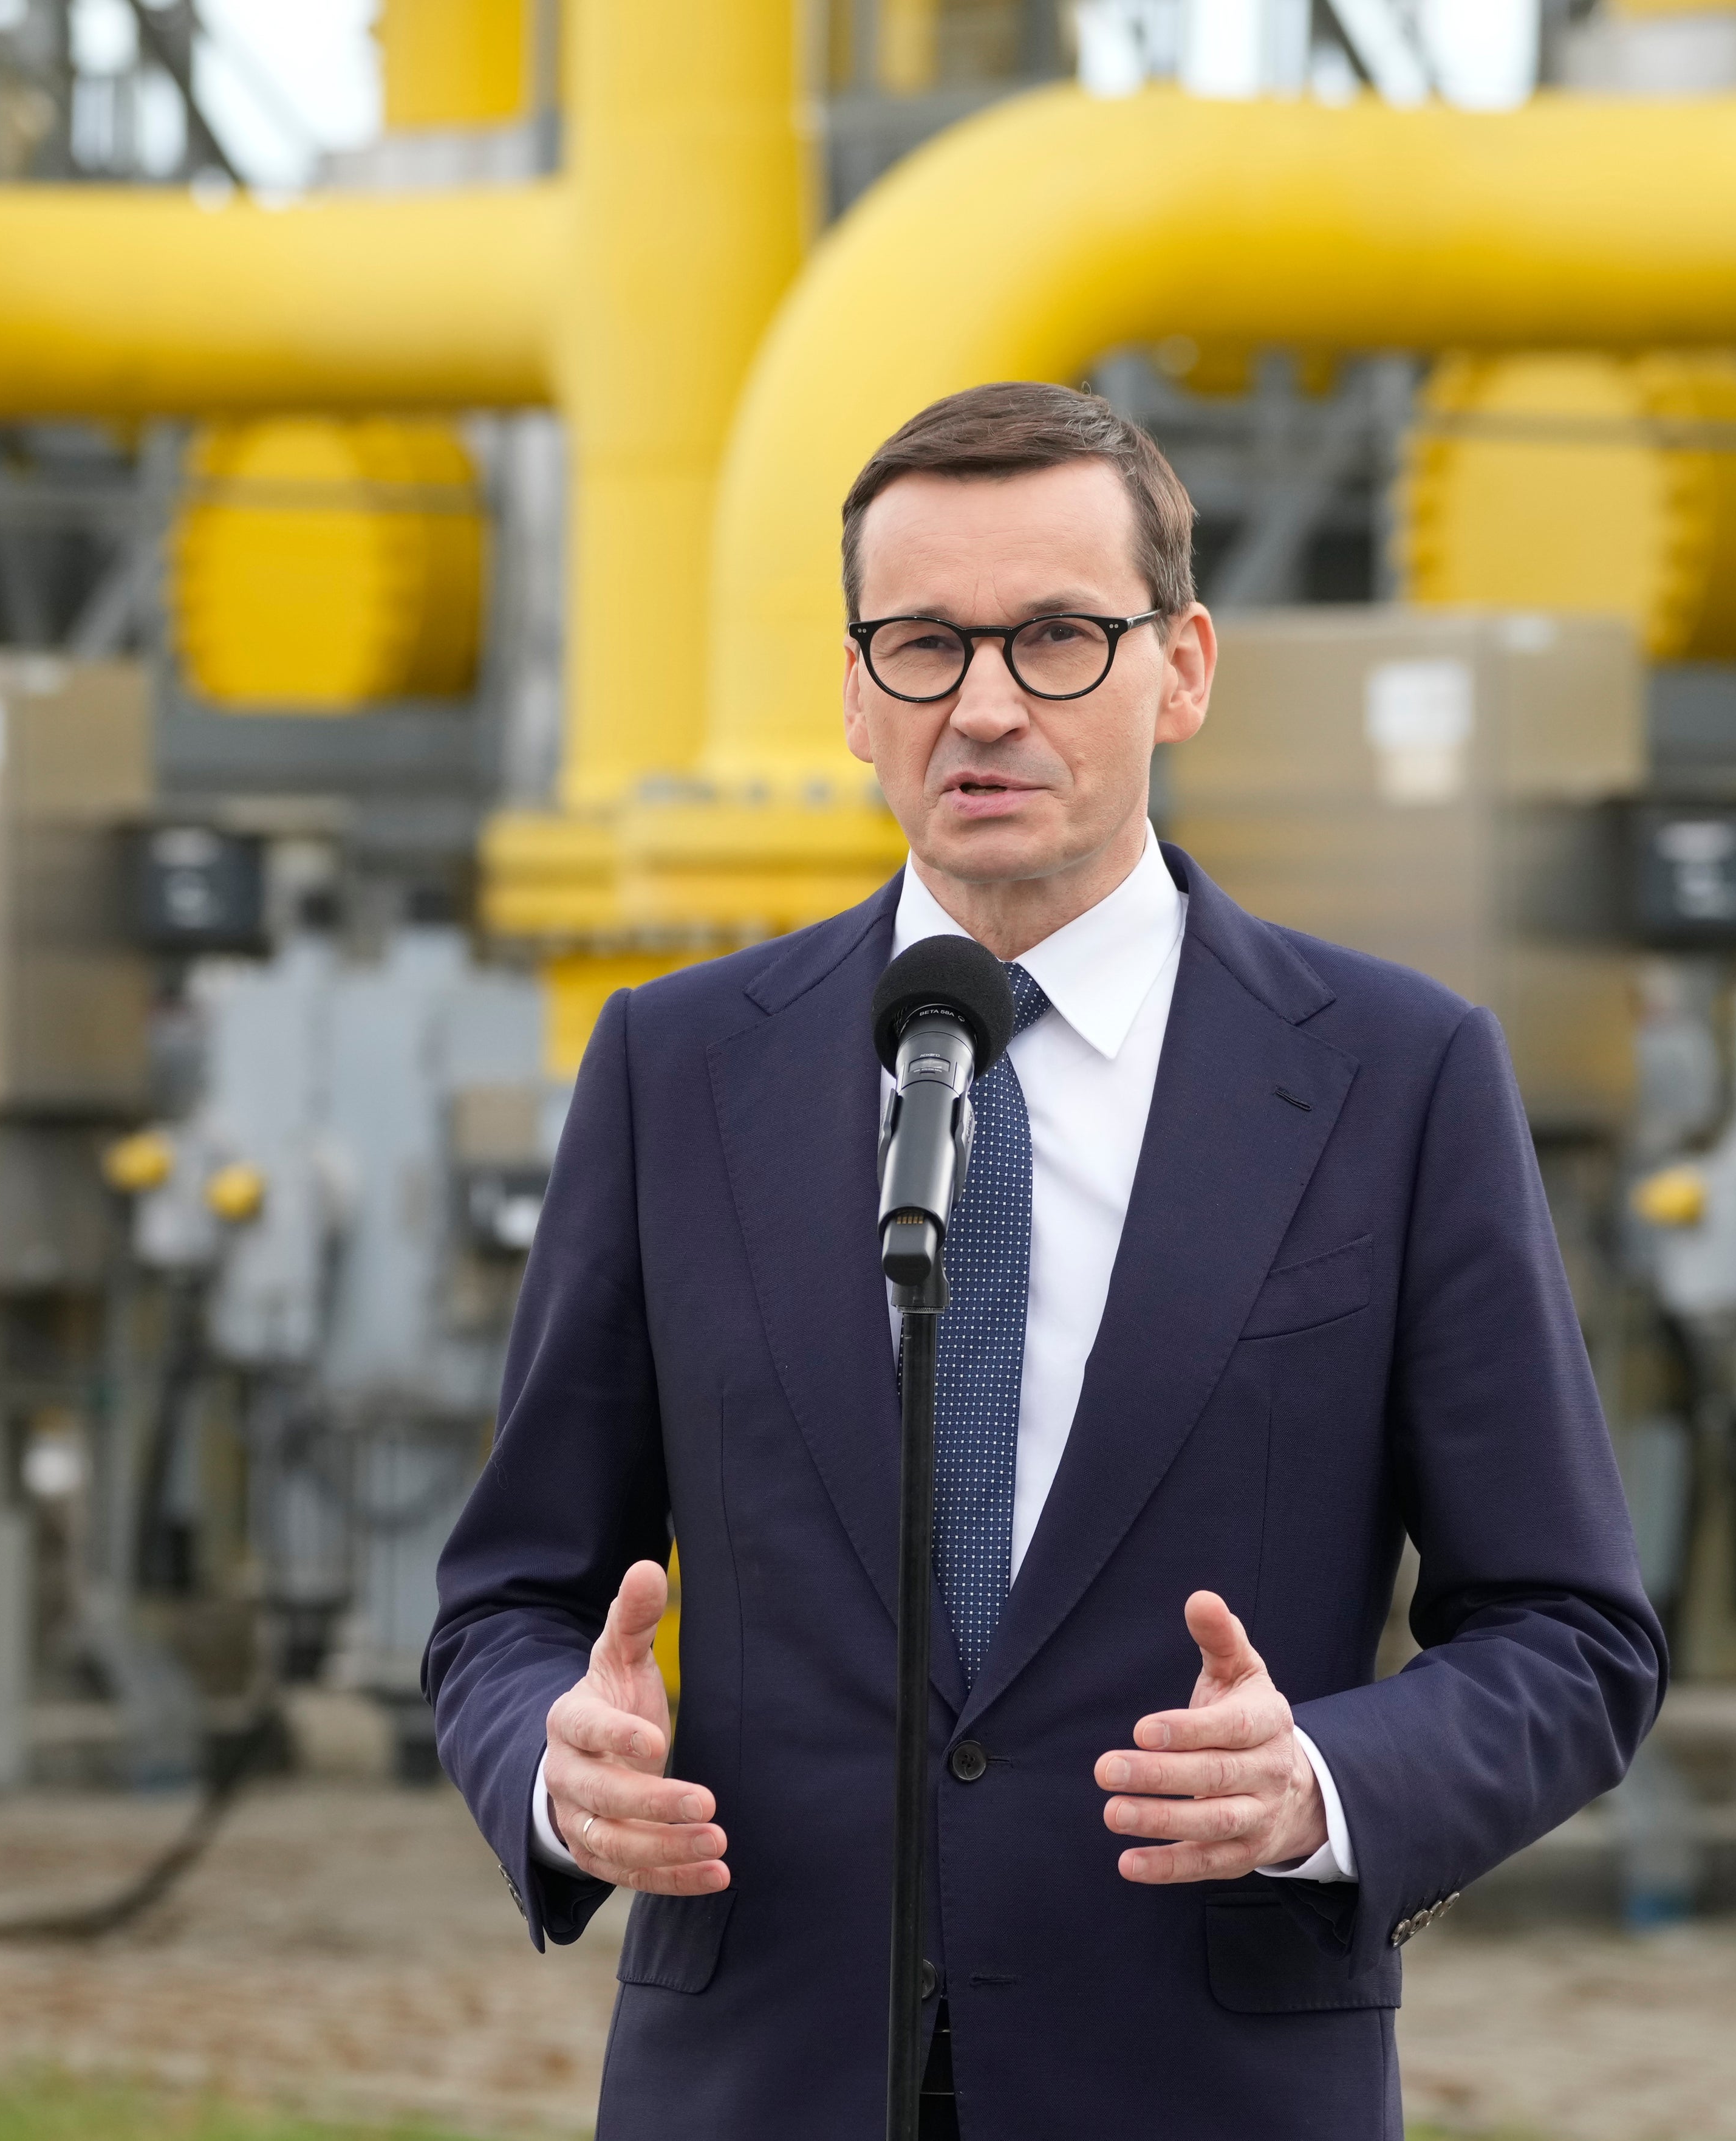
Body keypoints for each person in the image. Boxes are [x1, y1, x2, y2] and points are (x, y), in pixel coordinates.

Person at [425, 381, 1663, 2140]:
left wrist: (1318, 1780)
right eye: (923, 644)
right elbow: (509, 1598)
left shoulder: (1397, 1077)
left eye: (1061, 638)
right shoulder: (676, 1068)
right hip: (761, 2081)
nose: (987, 705)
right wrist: (554, 1763)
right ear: (856, 694)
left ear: (1186, 666)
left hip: (1205, 2079)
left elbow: (1571, 1631)